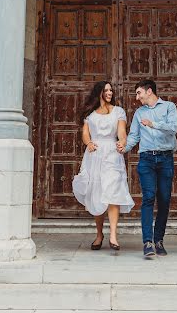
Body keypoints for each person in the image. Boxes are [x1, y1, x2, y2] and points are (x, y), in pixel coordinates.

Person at [72, 80, 134, 251]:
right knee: (97, 194)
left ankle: (113, 235)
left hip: (112, 154)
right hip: (95, 154)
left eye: (111, 90)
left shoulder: (118, 112)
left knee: (113, 192)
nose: (110, 93)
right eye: (106, 90)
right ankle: (99, 235)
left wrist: (123, 142)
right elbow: (85, 133)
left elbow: (122, 131)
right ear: (99, 92)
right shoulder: (90, 114)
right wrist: (89, 143)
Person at [119, 79, 177, 259]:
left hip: (166, 158)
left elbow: (173, 128)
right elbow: (134, 136)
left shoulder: (169, 107)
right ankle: (147, 242)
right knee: (148, 197)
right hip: (146, 159)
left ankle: (159, 240)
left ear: (149, 91)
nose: (137, 98)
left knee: (164, 200)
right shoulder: (139, 113)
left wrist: (153, 124)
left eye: (139, 93)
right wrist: (123, 148)